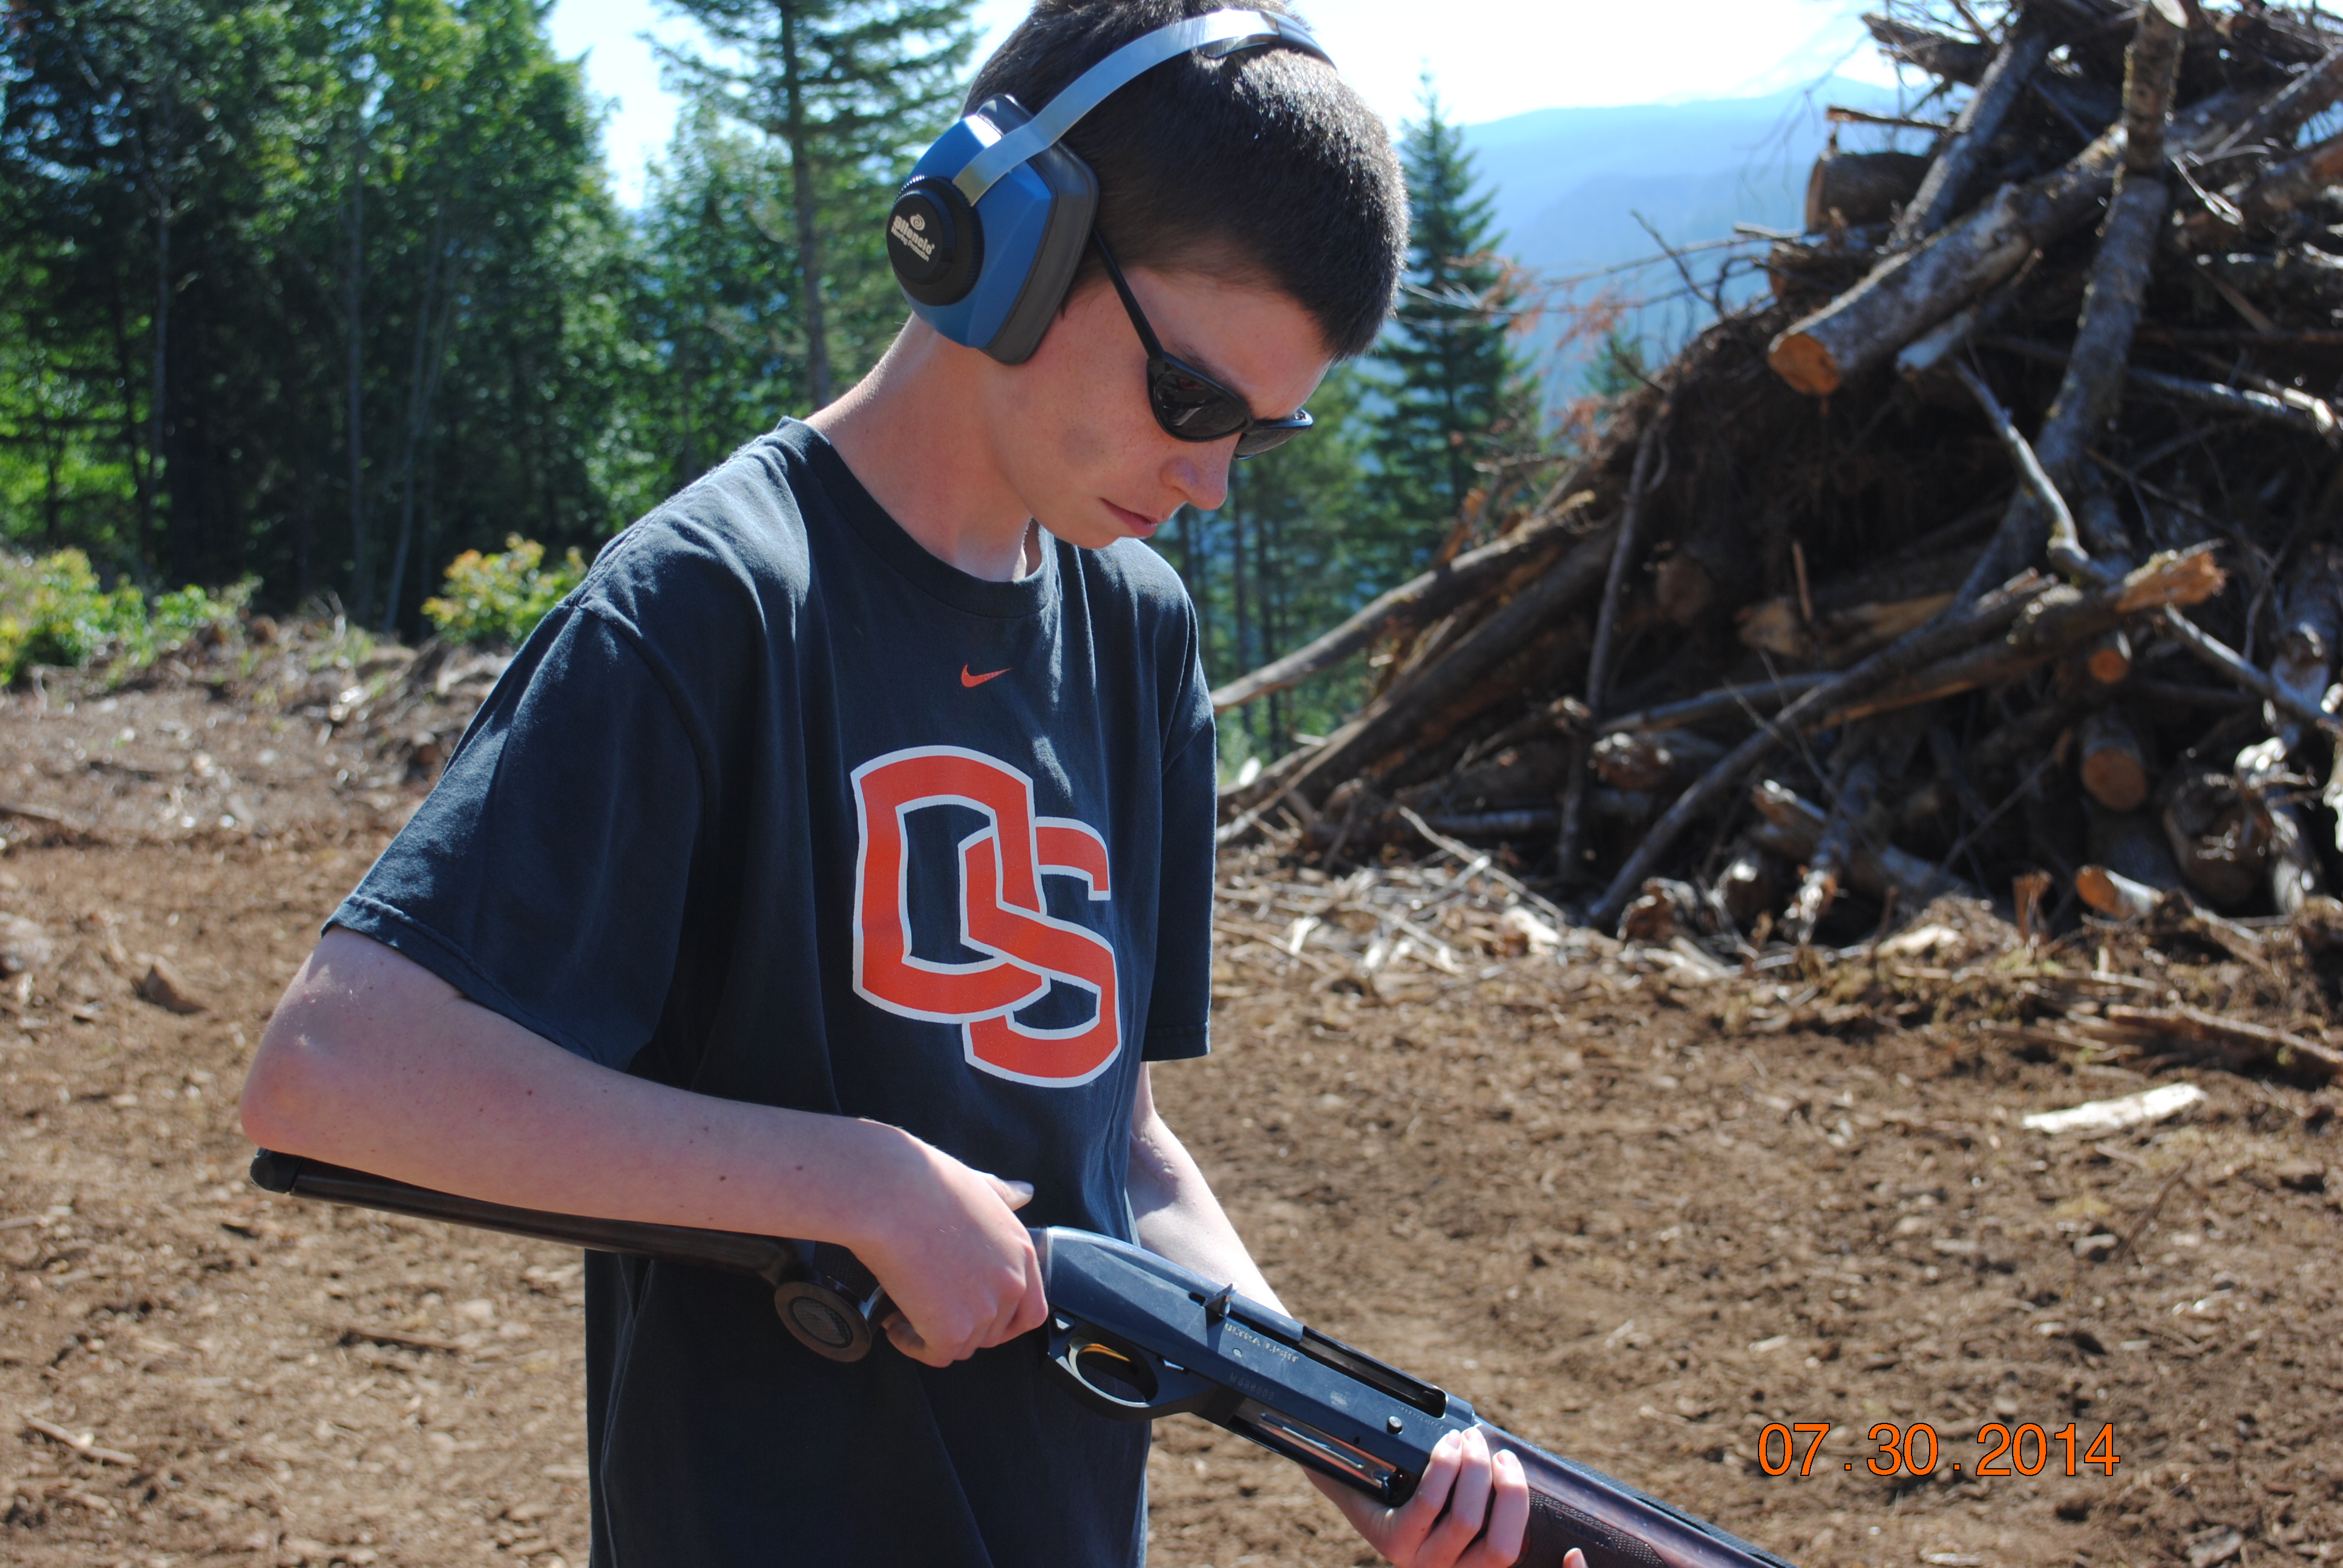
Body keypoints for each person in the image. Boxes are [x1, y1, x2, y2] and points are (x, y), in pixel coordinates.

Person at [240, 1, 1538, 1563]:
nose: (1208, 482)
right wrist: (848, 1182)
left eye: (1259, 436)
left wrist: (1353, 1441)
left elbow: (1120, 1151)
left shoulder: (1137, 634)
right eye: (1193, 404)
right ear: (1010, 238)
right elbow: (334, 1065)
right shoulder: (715, 600)